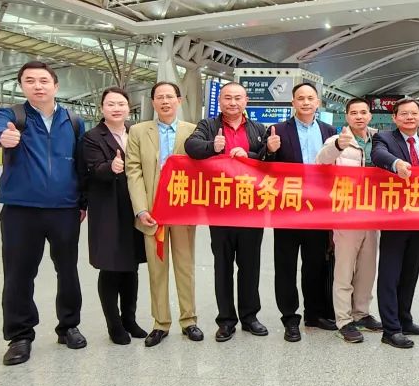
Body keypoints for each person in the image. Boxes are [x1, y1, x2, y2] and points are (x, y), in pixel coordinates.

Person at [0, 61, 87, 366]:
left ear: (55, 86)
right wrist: (2, 137)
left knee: (68, 271)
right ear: (22, 86)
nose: (38, 86)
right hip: (21, 210)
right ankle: (20, 336)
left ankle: (69, 326)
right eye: (30, 81)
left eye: (44, 80)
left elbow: (81, 165)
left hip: (64, 209)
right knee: (19, 274)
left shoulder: (74, 121)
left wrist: (83, 202)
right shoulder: (11, 116)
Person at [185, 82, 270, 342]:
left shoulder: (258, 129)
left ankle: (249, 316)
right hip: (220, 208)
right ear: (220, 101)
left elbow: (269, 159)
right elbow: (191, 147)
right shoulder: (208, 126)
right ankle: (225, 320)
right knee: (222, 265)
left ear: (246, 102)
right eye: (228, 98)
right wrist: (214, 146)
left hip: (251, 208)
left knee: (250, 265)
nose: (233, 103)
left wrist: (251, 153)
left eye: (238, 98)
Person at [125, 81, 203, 347]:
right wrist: (140, 208)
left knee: (185, 266)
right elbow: (132, 170)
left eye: (170, 97)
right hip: (152, 212)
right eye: (160, 97)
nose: (165, 101)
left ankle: (189, 320)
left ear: (179, 101)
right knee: (157, 269)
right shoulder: (137, 131)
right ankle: (160, 323)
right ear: (153, 102)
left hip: (181, 210)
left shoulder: (193, 131)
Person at [266, 82, 339, 342]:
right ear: (293, 103)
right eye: (300, 98)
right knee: (285, 265)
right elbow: (264, 168)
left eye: (310, 98)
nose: (306, 102)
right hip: (288, 209)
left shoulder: (330, 131)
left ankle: (314, 313)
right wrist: (269, 150)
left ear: (318, 102)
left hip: (318, 210)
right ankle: (289, 317)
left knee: (315, 264)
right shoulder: (277, 131)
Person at [79, 87, 146, 345]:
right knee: (110, 266)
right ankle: (114, 324)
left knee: (131, 266)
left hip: (134, 206)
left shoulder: (136, 132)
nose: (116, 108)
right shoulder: (92, 137)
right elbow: (92, 170)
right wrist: (111, 167)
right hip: (107, 208)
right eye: (110, 104)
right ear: (102, 108)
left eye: (121, 104)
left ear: (129, 108)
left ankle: (130, 319)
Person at [315, 97, 383, 343]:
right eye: (353, 113)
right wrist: (338, 147)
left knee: (367, 268)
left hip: (372, 212)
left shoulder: (378, 139)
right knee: (344, 269)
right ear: (346, 116)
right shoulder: (337, 140)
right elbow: (321, 160)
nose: (359, 117)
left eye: (363, 112)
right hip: (346, 212)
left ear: (370, 115)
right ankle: (343, 319)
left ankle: (362, 313)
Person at [371, 98, 419, 348]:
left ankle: (404, 318)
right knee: (390, 273)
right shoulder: (385, 138)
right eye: (404, 114)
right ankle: (390, 329)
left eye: (414, 114)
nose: (410, 117)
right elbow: (378, 155)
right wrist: (396, 164)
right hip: (394, 217)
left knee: (410, 272)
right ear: (395, 118)